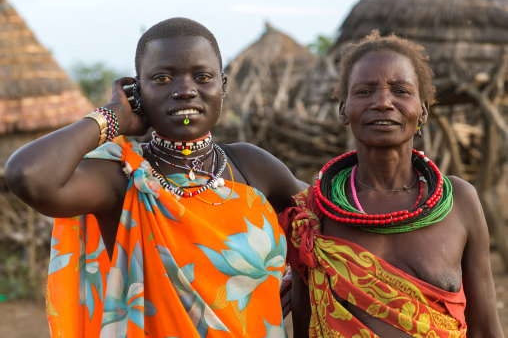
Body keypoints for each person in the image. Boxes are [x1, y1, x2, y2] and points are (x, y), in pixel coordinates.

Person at [5, 17, 306, 337]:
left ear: (223, 86)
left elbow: (320, 226)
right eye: (162, 79)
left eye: (202, 77)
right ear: (137, 91)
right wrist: (113, 117)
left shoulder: (251, 166)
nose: (185, 91)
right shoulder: (120, 177)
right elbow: (29, 176)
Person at [280, 30, 504, 337]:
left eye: (400, 91)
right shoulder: (314, 213)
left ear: (423, 109)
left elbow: (486, 330)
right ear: (343, 109)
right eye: (364, 92)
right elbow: (307, 329)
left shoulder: (460, 202)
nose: (383, 102)